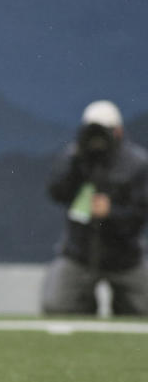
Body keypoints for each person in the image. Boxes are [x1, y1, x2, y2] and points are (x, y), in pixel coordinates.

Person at [41, 100, 148, 315]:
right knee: (56, 304)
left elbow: (142, 213)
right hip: (79, 254)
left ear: (118, 131)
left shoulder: (137, 164)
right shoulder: (76, 156)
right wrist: (76, 162)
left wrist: (112, 212)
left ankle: (124, 306)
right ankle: (85, 305)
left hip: (125, 257)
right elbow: (56, 192)